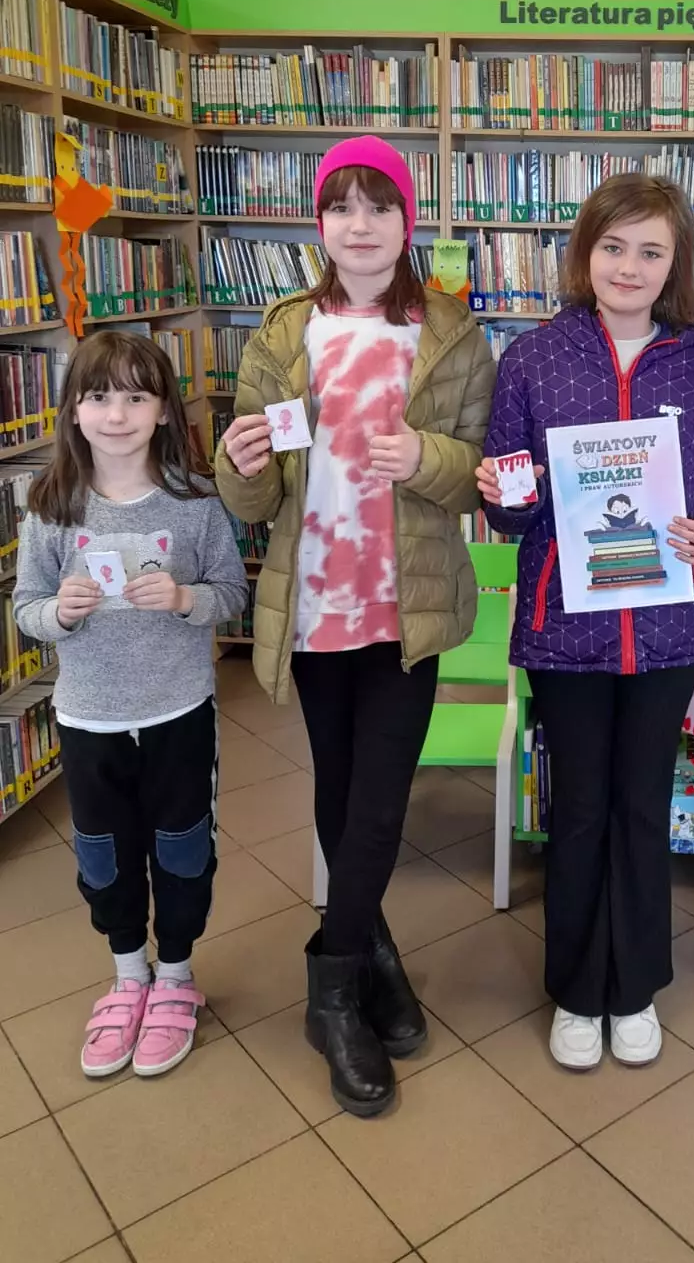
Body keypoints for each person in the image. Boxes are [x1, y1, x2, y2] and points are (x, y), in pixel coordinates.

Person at [215, 135, 496, 1117]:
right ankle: (372, 954)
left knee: (378, 806)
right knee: (339, 796)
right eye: (342, 206)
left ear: (408, 222)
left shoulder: (452, 333)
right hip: (313, 606)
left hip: (404, 606)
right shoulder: (283, 332)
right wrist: (239, 461)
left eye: (381, 206)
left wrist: (422, 457)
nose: (361, 225)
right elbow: (252, 500)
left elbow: (478, 477)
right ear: (320, 223)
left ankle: (330, 995)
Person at [477, 173, 694, 1070]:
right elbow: (511, 506)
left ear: (675, 266)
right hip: (567, 630)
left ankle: (633, 990)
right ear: (585, 253)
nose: (630, 266)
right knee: (580, 810)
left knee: (641, 809)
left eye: (651, 251)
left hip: (667, 629)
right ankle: (575, 989)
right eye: (614, 246)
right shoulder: (533, 358)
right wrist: (503, 494)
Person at [13, 332, 246, 1080]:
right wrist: (60, 613)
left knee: (182, 846)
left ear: (165, 410)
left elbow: (231, 593)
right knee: (103, 856)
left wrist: (183, 599)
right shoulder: (51, 506)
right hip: (90, 719)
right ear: (74, 411)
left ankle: (175, 974)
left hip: (178, 712)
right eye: (99, 397)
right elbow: (27, 608)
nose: (117, 415)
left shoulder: (195, 502)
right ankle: (127, 973)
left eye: (137, 397)